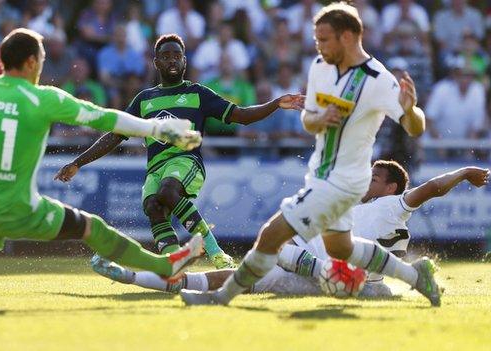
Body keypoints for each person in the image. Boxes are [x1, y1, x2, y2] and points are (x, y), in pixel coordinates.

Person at [0, 28, 204, 306]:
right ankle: (164, 266)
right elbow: (103, 117)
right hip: (17, 207)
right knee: (93, 229)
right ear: (32, 63)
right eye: (42, 60)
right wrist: (156, 129)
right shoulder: (43, 99)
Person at [179, 2, 441, 307]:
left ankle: (219, 298)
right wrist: (317, 117)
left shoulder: (378, 79)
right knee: (343, 247)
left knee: (271, 236)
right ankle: (415, 275)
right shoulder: (321, 67)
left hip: (345, 179)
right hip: (321, 172)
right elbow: (309, 120)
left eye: (324, 39)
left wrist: (410, 110)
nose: (318, 46)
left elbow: (415, 127)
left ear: (347, 37)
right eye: (316, 39)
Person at [54, 34, 304, 269]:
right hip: (155, 168)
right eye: (166, 55)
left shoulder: (198, 94)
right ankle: (173, 265)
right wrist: (78, 162)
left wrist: (275, 103)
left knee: (167, 191)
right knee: (153, 205)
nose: (172, 59)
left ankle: (216, 252)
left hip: (187, 161)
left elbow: (242, 116)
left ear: (185, 60)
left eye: (177, 55)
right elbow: (114, 135)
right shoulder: (144, 99)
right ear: (156, 62)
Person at [89, 162, 490, 298]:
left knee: (279, 251)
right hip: (311, 273)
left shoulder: (395, 206)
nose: (369, 179)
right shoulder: (347, 206)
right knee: (241, 275)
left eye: (376, 176)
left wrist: (465, 173)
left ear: (391, 187)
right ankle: (135, 278)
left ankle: (354, 282)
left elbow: (433, 188)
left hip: (339, 276)